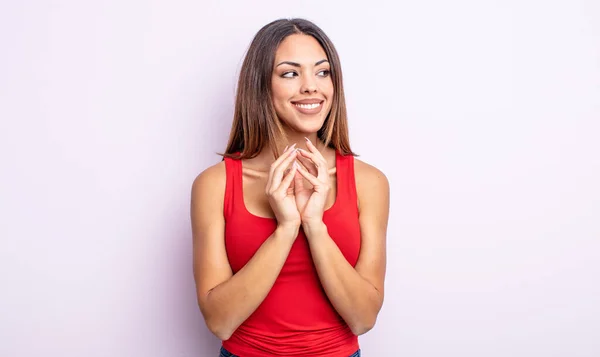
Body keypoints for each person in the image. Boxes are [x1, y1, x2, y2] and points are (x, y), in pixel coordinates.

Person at [190, 18, 389, 357]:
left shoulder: (369, 182)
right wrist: (285, 228)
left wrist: (314, 225)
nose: (311, 86)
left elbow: (363, 319)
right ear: (261, 86)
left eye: (322, 72)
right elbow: (221, 322)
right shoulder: (215, 185)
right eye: (290, 73)